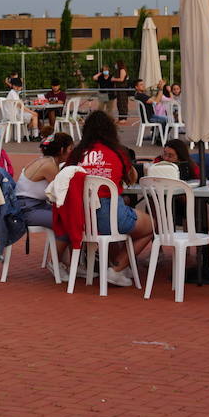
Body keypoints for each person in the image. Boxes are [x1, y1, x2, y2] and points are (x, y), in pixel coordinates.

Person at [66, 110, 155, 285]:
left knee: (115, 224)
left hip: (80, 217)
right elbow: (130, 179)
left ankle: (119, 265)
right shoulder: (118, 152)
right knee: (152, 226)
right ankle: (116, 269)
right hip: (108, 212)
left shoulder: (76, 154)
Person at [15, 133, 72, 230]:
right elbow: (62, 193)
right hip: (27, 210)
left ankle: (55, 245)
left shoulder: (45, 161)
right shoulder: (49, 166)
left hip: (32, 205)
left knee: (69, 217)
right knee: (67, 222)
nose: (72, 152)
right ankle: (57, 246)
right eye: (70, 149)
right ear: (62, 150)